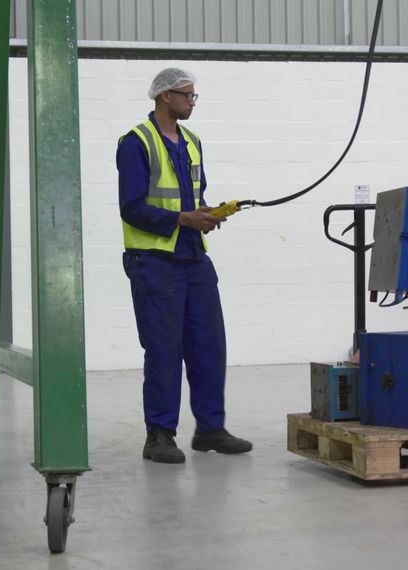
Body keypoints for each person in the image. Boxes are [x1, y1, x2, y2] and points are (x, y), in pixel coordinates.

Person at [116, 68, 252, 464]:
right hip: (154, 261)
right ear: (165, 97)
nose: (193, 102)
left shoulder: (192, 142)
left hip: (194, 258)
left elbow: (193, 196)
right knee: (163, 349)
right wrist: (182, 219)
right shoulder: (135, 143)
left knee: (209, 345)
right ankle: (159, 435)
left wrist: (207, 213)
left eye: (194, 96)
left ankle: (210, 428)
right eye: (187, 95)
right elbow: (132, 207)